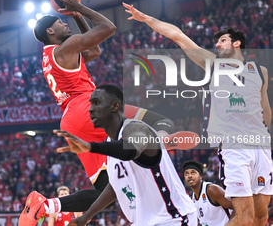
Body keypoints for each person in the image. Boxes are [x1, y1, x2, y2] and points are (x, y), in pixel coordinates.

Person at [19, 0, 174, 226]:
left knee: (108, 191)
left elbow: (95, 50)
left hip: (72, 120)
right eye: (61, 22)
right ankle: (162, 154)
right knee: (152, 123)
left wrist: (77, 17)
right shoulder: (65, 48)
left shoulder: (54, 55)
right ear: (51, 31)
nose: (66, 25)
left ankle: (47, 205)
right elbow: (108, 28)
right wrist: (78, 8)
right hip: (87, 107)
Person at [122, 2, 273, 226]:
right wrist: (147, 19)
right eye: (217, 42)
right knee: (246, 219)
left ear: (237, 43)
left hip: (260, 146)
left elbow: (265, 109)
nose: (218, 45)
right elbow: (178, 36)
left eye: (223, 40)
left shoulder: (260, 71)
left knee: (262, 217)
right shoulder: (213, 64)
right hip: (234, 146)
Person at [54, 84, 197, 226]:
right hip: (146, 221)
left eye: (96, 103)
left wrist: (91, 147)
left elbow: (129, 151)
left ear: (115, 106)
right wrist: (86, 217)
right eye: (90, 104)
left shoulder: (136, 128)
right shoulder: (110, 142)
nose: (90, 109)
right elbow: (114, 186)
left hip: (174, 218)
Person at [183, 160, 233, 226]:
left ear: (200, 176)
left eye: (193, 173)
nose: (189, 176)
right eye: (186, 173)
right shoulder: (193, 197)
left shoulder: (211, 190)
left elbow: (237, 208)